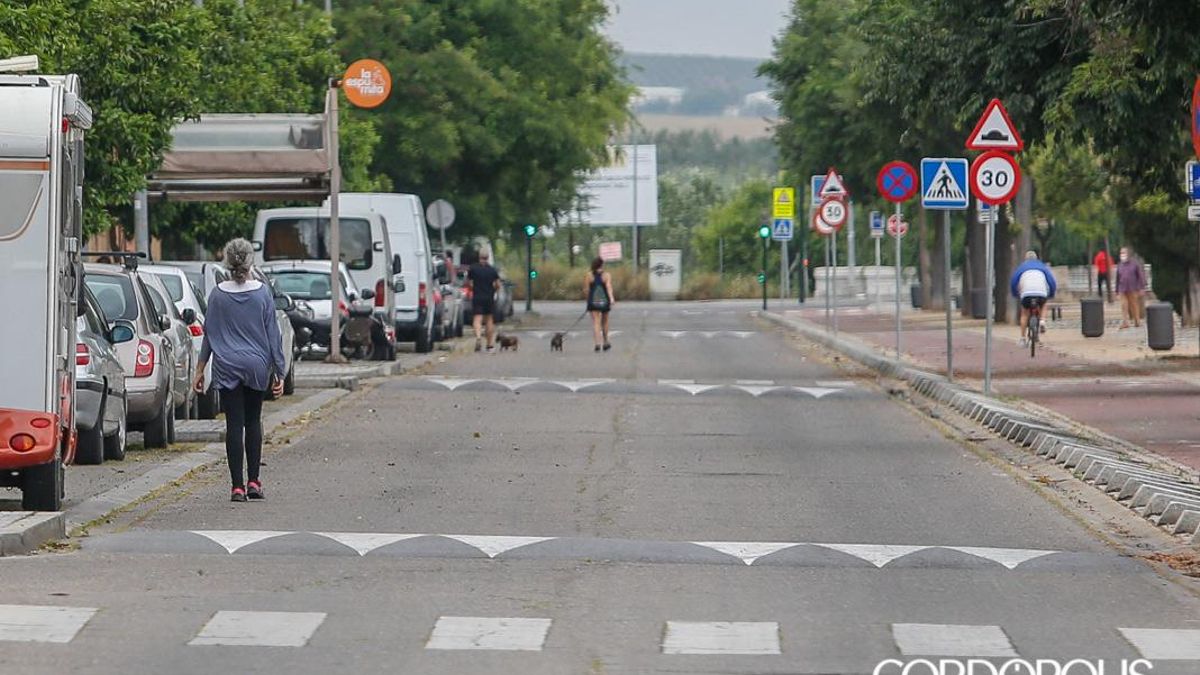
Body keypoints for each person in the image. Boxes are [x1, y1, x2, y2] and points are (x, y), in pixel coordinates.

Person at [192, 239, 286, 502]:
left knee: (234, 424)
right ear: (250, 261)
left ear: (227, 261)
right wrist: (279, 371)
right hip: (256, 365)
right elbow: (273, 335)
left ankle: (236, 487)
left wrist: (200, 370)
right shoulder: (263, 293)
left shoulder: (218, 295)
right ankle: (254, 481)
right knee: (253, 421)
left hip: (226, 364)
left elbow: (210, 335)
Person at [1009, 250, 1057, 347]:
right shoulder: (1042, 267)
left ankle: (1022, 339)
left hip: (1026, 293)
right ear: (1036, 258)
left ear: (1025, 259)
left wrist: (1015, 294)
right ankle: (1042, 321)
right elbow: (1051, 281)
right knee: (1043, 304)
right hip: (1041, 293)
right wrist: (1051, 294)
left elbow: (1014, 281)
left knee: (1024, 314)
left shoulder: (1021, 267)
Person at [467, 251, 501, 352]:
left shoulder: (473, 269)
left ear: (479, 257)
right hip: (489, 297)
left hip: (477, 296)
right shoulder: (492, 270)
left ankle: (478, 337)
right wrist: (494, 290)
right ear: (488, 257)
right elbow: (497, 284)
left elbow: (469, 283)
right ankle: (489, 344)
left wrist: (474, 289)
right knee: (489, 320)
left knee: (477, 319)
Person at [584, 257, 615, 352]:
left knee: (596, 322)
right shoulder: (606, 275)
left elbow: (586, 290)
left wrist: (588, 300)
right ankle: (605, 341)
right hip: (604, 301)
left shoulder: (589, 275)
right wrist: (611, 298)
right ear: (601, 265)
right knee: (605, 321)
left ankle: (597, 343)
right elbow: (609, 287)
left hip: (593, 301)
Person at [1115, 246, 1147, 329]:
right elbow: (1117, 278)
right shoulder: (1120, 265)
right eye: (1121, 253)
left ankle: (1137, 321)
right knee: (1123, 305)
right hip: (1122, 288)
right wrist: (1116, 290)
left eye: (1124, 253)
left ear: (1128, 254)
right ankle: (1125, 322)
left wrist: (1141, 287)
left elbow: (1140, 276)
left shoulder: (1135, 264)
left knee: (1134, 305)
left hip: (1133, 288)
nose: (1122, 254)